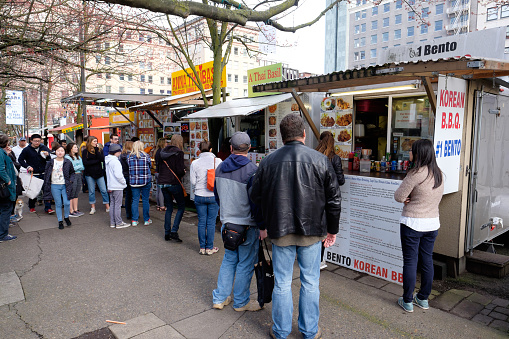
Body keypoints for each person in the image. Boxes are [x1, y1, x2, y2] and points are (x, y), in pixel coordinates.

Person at [250, 114, 341, 339]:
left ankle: (280, 331)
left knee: (282, 282)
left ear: (281, 137)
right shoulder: (320, 160)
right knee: (310, 282)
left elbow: (255, 195)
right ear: (304, 134)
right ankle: (309, 331)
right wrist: (333, 230)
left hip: (280, 232)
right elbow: (334, 199)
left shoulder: (268, 162)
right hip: (312, 232)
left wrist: (263, 224)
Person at [212, 132, 262, 311]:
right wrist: (261, 225)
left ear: (231, 148)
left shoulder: (220, 168)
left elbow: (217, 197)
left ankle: (220, 298)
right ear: (249, 148)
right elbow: (256, 203)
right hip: (247, 225)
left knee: (229, 260)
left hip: (227, 224)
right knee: (245, 264)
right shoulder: (252, 171)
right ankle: (241, 302)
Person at [394, 138, 444, 313]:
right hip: (432, 223)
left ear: (419, 153)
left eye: (411, 150)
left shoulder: (416, 173)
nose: (409, 153)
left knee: (410, 261)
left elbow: (399, 196)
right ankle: (423, 298)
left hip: (413, 223)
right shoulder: (439, 173)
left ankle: (407, 301)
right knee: (427, 260)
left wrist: (408, 199)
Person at [315, 130, 345, 270]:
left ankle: (313, 258)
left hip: (315, 197)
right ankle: (319, 260)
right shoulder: (335, 158)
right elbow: (340, 180)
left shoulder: (313, 155)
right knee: (325, 229)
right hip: (328, 198)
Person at [190, 140, 222, 255]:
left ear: (199, 150)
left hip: (199, 195)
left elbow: (193, 182)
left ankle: (202, 247)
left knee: (202, 221)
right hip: (213, 195)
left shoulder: (195, 163)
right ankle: (209, 248)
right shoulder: (218, 161)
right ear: (211, 149)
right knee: (211, 222)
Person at [156, 135, 186, 242]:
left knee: (169, 207)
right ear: (180, 142)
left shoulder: (162, 152)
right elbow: (179, 170)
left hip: (162, 182)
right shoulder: (179, 153)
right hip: (173, 182)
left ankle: (167, 233)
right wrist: (184, 172)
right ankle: (174, 231)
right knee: (181, 206)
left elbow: (158, 168)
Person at [18, 134, 55, 214]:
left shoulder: (44, 148)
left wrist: (48, 155)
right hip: (34, 174)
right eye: (35, 141)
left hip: (44, 172)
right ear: (31, 141)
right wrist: (27, 166)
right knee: (34, 191)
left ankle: (48, 208)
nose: (37, 142)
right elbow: (20, 160)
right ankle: (31, 206)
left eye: (39, 141)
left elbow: (49, 159)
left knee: (46, 191)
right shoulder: (27, 150)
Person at [42, 145, 75, 230]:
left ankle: (66, 217)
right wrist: (46, 184)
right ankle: (60, 221)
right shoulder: (50, 162)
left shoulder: (68, 162)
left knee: (67, 203)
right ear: (55, 152)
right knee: (58, 203)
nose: (60, 152)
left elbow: (72, 172)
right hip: (54, 185)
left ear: (65, 152)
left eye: (62, 151)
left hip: (65, 185)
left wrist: (71, 180)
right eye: (58, 150)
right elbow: (46, 174)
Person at [82, 136, 110, 215]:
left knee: (104, 190)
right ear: (90, 142)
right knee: (91, 191)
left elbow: (102, 159)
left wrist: (97, 151)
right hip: (89, 174)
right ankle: (93, 207)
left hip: (99, 173)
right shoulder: (85, 151)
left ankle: (107, 206)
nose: (96, 143)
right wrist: (95, 161)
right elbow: (85, 163)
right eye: (94, 141)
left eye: (96, 141)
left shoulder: (99, 150)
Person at [127, 141, 152, 226]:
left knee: (135, 200)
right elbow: (150, 166)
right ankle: (146, 220)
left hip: (134, 181)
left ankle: (134, 220)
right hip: (145, 180)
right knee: (145, 200)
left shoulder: (129, 157)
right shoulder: (146, 156)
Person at [105, 144, 130, 229]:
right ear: (117, 152)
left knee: (112, 204)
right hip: (117, 186)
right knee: (118, 205)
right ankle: (119, 223)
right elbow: (119, 175)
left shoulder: (108, 160)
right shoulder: (116, 162)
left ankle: (113, 222)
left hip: (110, 186)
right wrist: (124, 183)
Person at [0, 134, 18, 242]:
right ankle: (3, 234)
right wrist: (8, 180)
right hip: (3, 187)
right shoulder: (1, 154)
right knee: (5, 209)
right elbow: (1, 169)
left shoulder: (3, 152)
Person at [65, 143, 85, 217]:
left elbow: (82, 167)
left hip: (79, 175)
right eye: (75, 147)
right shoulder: (67, 157)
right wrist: (77, 166)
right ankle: (71, 210)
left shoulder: (78, 157)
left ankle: (76, 209)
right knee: (72, 192)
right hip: (72, 176)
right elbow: (71, 168)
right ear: (71, 148)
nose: (77, 148)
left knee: (77, 192)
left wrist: (76, 166)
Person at [119, 141, 133, 221]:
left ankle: (128, 213)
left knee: (128, 195)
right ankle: (133, 213)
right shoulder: (130, 155)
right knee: (133, 196)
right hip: (130, 176)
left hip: (124, 176)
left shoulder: (121, 155)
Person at [153, 138, 167, 211]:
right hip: (161, 172)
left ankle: (158, 205)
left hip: (156, 171)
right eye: (165, 142)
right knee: (161, 189)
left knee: (158, 189)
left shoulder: (156, 151)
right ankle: (162, 205)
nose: (167, 143)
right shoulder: (162, 152)